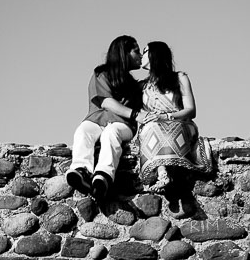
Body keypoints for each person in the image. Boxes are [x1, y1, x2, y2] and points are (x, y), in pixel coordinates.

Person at [134, 41, 211, 213]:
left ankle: (169, 173)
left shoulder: (180, 78)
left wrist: (167, 116)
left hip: (179, 122)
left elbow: (190, 110)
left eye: (145, 51)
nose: (141, 55)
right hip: (153, 126)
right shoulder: (141, 86)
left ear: (155, 54)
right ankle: (163, 173)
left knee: (165, 128)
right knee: (152, 127)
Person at [68, 35, 142, 203]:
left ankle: (104, 175)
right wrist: (135, 114)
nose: (140, 56)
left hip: (122, 125)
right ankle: (81, 170)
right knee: (83, 130)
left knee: (111, 133)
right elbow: (106, 102)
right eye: (136, 51)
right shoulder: (101, 74)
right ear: (124, 53)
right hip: (97, 120)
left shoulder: (135, 85)